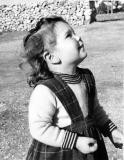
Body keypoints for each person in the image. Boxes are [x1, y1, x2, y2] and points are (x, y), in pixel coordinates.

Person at [21, 16, 124, 160]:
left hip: (90, 148)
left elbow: (95, 111)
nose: (78, 36)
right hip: (61, 153)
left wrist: (112, 131)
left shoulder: (86, 77)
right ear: (51, 56)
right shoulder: (45, 91)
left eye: (74, 32)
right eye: (69, 35)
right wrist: (75, 141)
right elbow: (39, 128)